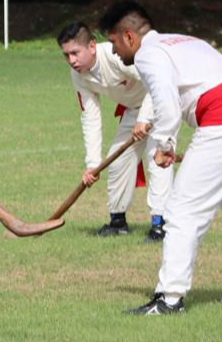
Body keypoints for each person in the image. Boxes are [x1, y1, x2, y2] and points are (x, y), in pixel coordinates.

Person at [100, 2, 222, 315]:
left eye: (113, 43)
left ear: (129, 36)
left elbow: (166, 102)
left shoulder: (149, 54)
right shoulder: (187, 41)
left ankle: (170, 297)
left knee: (180, 212)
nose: (113, 53)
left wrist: (163, 144)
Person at [57, 21, 170, 241]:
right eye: (66, 56)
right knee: (117, 161)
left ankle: (161, 224)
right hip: (134, 111)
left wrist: (146, 118)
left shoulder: (117, 54)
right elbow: (90, 116)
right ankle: (118, 222)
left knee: (157, 159)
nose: (71, 61)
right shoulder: (78, 76)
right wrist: (93, 165)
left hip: (161, 102)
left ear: (91, 46)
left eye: (75, 53)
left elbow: (156, 82)